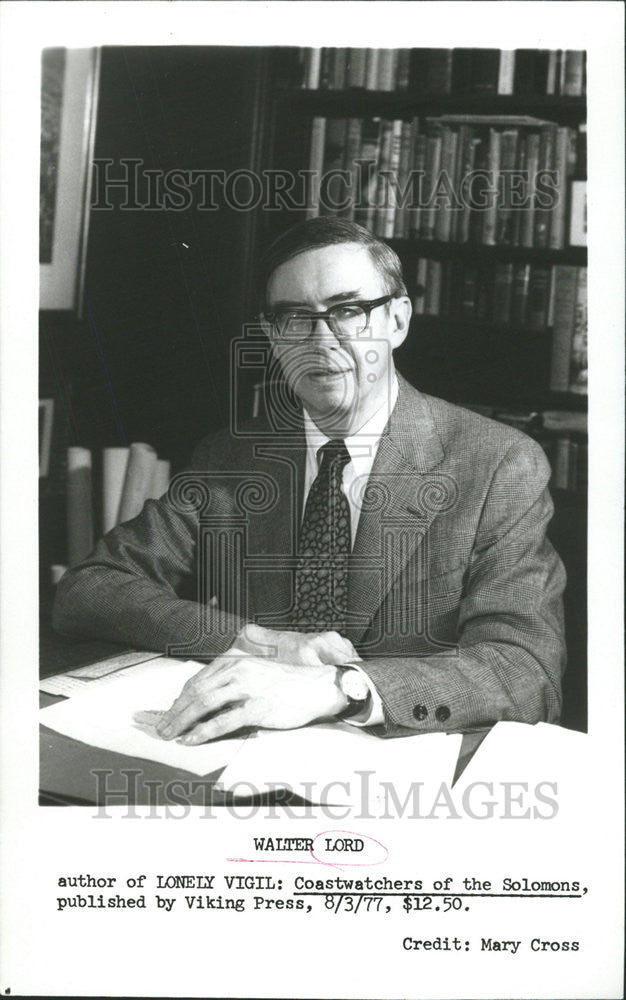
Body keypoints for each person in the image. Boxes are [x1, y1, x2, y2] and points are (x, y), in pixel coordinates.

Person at [52, 218, 566, 744]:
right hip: (237, 763)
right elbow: (88, 591)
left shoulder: (497, 464)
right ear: (274, 336)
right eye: (295, 317)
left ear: (397, 319)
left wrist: (344, 687)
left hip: (396, 776)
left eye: (348, 310)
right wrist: (258, 643)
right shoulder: (231, 458)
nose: (321, 340)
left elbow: (525, 669)